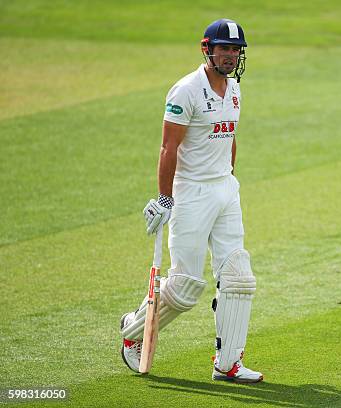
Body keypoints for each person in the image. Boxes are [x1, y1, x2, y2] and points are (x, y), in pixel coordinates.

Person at [119, 18, 263, 383]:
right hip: (192, 193)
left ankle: (228, 364)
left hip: (225, 190)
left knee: (239, 278)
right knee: (184, 288)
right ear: (207, 49)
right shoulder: (184, 90)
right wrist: (165, 199)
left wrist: (228, 179)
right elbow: (169, 147)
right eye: (224, 48)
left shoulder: (234, 89)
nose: (231, 55)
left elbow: (229, 136)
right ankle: (133, 333)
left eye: (236, 49)